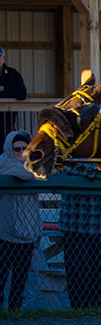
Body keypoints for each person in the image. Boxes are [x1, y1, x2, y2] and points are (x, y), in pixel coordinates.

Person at [60, 165, 101, 309]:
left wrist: (88, 172)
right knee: (78, 271)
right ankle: (79, 309)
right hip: (74, 224)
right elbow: (66, 169)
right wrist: (100, 172)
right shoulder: (71, 151)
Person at [0, 130, 41, 311]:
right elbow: (28, 174)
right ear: (10, 148)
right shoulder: (3, 163)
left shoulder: (30, 166)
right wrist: (34, 169)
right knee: (1, 276)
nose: (21, 153)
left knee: (20, 277)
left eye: (26, 149)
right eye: (17, 149)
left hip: (28, 233)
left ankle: (15, 311)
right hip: (5, 234)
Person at [0, 46, 28, 135]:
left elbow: (22, 94)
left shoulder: (13, 74)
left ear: (3, 59)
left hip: (7, 122)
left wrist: (3, 89)